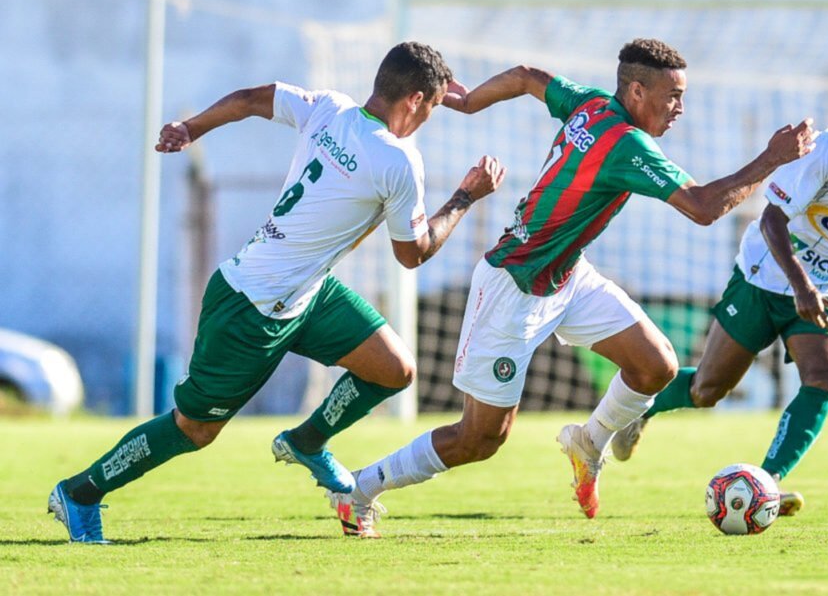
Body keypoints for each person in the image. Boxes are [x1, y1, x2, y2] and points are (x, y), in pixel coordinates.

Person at [326, 38, 818, 537]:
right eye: (672, 96)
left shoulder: (590, 103)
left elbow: (525, 75)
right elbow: (703, 207)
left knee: (657, 366)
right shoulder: (627, 144)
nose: (680, 109)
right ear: (637, 91)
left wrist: (472, 101)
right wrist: (772, 158)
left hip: (566, 276)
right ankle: (358, 490)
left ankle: (588, 443)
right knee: (478, 440)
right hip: (512, 288)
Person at [47, 41, 506, 544]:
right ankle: (80, 492)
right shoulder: (397, 161)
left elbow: (250, 98)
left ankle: (307, 441)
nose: (430, 119)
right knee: (193, 429)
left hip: (305, 291)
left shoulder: (330, 108)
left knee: (394, 369)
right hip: (251, 306)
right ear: (416, 100)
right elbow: (413, 253)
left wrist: (190, 128)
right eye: (435, 107)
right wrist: (466, 196)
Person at [610, 47, 828, 517]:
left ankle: (767, 481)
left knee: (827, 375)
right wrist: (801, 285)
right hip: (765, 275)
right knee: (707, 390)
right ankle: (638, 408)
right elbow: (771, 219)